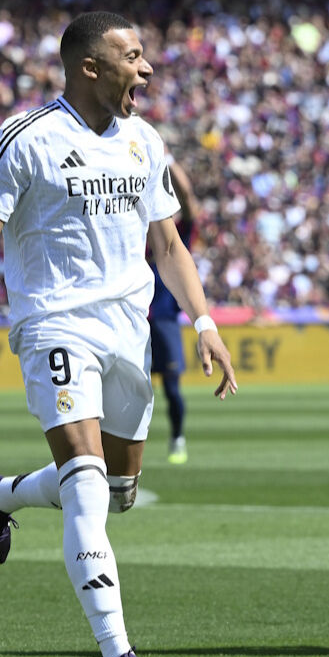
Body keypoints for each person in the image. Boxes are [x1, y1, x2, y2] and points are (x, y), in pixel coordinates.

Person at [0, 11, 238, 657]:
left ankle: (1, 492)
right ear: (90, 67)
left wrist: (205, 321)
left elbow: (166, 245)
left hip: (127, 329)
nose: (148, 68)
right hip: (54, 325)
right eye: (133, 56)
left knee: (119, 490)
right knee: (85, 488)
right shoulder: (26, 140)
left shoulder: (143, 140)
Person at [149, 153, 199, 464]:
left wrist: (166, 161)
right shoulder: (137, 235)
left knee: (171, 389)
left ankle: (177, 437)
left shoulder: (176, 239)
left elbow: (189, 200)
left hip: (165, 321)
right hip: (131, 321)